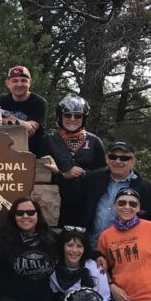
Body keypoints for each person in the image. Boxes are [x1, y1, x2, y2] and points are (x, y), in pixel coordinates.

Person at [80, 141, 151, 249]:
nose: (117, 161)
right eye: (113, 157)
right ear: (107, 159)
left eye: (124, 158)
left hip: (124, 253)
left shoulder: (147, 190)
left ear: (133, 161)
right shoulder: (92, 180)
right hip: (90, 249)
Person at [41, 95, 106, 226]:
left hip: (87, 206)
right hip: (54, 204)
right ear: (60, 117)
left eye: (77, 116)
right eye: (67, 115)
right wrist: (62, 174)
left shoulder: (94, 141)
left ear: (84, 118)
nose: (72, 119)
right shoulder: (49, 140)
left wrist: (84, 173)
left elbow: (104, 174)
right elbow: (39, 175)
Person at [0, 65, 48, 156]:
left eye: (23, 80)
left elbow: (29, 130)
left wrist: (5, 113)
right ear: (8, 83)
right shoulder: (3, 99)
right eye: (15, 81)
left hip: (33, 155)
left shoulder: (39, 102)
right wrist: (23, 124)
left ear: (30, 83)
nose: (19, 84)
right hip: (6, 152)